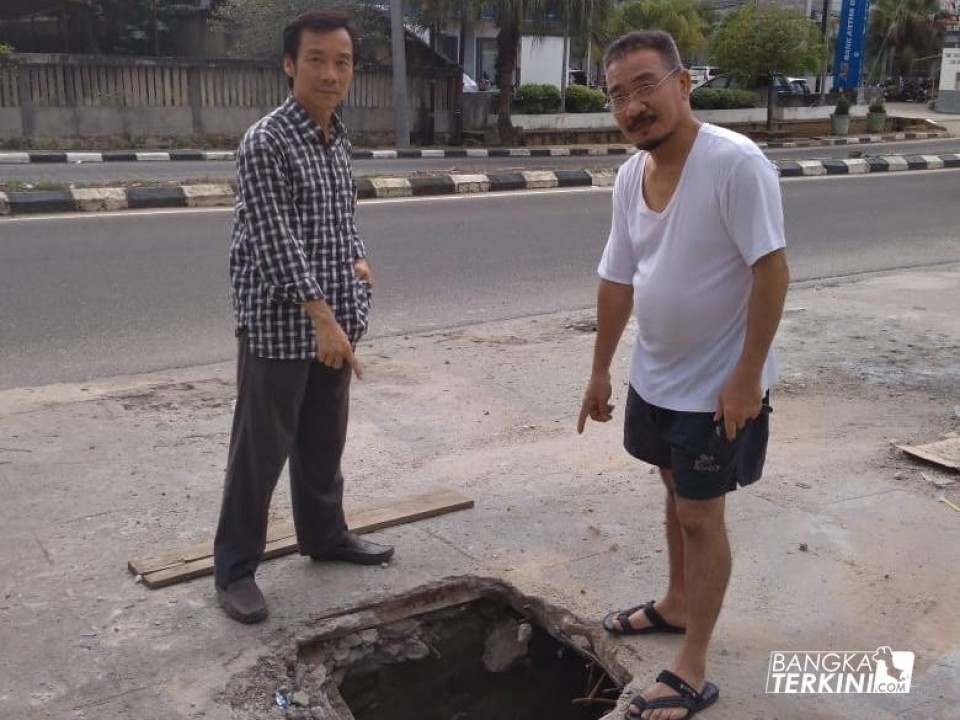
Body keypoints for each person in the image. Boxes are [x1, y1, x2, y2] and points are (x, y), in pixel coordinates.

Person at [577, 30, 789, 720]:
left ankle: (692, 665)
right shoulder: (631, 174)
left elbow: (771, 272)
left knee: (701, 514)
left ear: (683, 83)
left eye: (646, 85)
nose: (633, 105)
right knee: (672, 491)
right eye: (618, 95)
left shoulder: (734, 164)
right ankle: (674, 603)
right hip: (656, 378)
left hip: (717, 388)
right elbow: (617, 278)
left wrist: (745, 378)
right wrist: (601, 370)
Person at [213, 8, 394, 625]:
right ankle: (235, 569)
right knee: (260, 451)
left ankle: (325, 535)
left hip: (334, 318)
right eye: (316, 59)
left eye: (341, 61)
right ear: (289, 64)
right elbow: (274, 238)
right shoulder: (267, 141)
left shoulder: (335, 135)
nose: (329, 73)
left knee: (324, 440)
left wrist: (358, 259)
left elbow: (337, 219)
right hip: (281, 322)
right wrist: (321, 317)